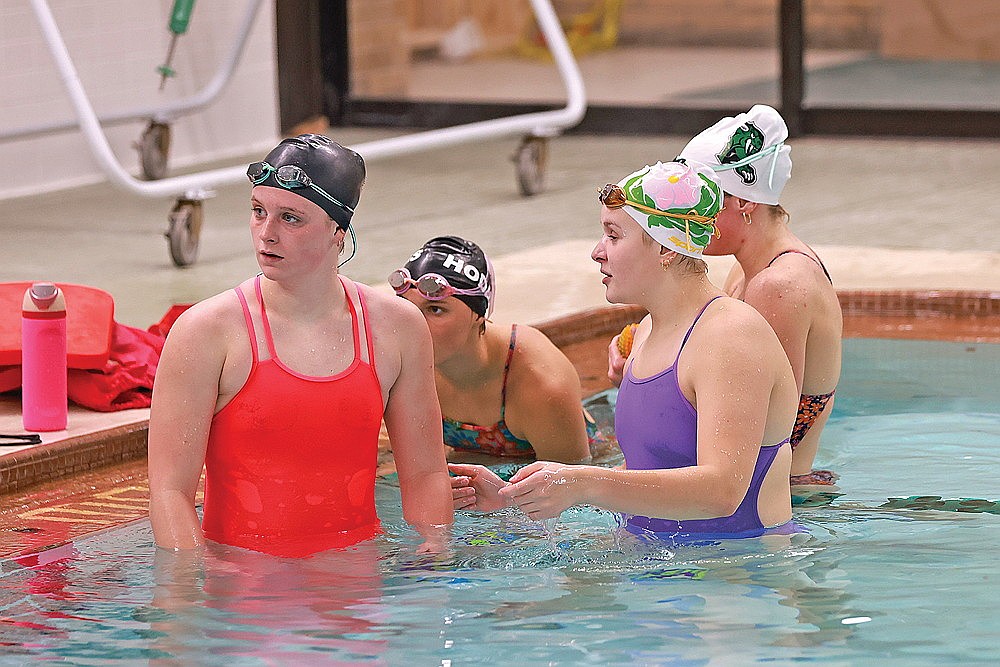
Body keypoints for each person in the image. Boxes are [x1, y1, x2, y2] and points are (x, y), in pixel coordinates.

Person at [451, 160, 800, 540]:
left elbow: (722, 491)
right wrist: (520, 497)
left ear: (667, 247)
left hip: (736, 578)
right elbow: (648, 474)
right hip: (655, 564)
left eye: (614, 236)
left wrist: (582, 482)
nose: (597, 252)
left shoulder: (731, 337)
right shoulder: (649, 330)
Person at [148, 134, 453, 557]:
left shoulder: (396, 328)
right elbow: (169, 493)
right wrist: (187, 595)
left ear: (338, 232)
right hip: (242, 590)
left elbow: (425, 475)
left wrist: (434, 561)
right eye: (258, 212)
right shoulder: (206, 332)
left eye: (291, 218)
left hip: (357, 585)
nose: (266, 234)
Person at [675, 104, 842, 487]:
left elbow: (768, 425)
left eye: (702, 198)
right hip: (769, 489)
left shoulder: (779, 287)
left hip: (776, 500)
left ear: (746, 201)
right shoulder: (749, 266)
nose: (688, 212)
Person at [389, 236, 597, 465]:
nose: (416, 323)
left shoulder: (539, 381)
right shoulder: (401, 362)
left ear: (478, 314)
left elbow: (572, 488)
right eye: (407, 307)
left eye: (435, 309)